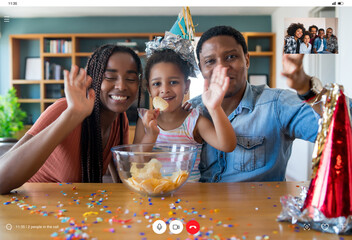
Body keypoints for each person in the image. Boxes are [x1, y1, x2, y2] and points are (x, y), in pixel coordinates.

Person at [187, 25, 351, 183]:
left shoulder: (277, 104)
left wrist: (307, 89)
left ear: (247, 60)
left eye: (231, 57)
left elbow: (345, 125)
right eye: (210, 61)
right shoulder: (191, 111)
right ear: (201, 69)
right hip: (198, 209)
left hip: (261, 209)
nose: (221, 67)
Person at [0, 44, 143, 194]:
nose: (121, 86)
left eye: (131, 79)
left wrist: (141, 140)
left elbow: (124, 183)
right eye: (110, 77)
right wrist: (72, 115)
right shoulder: (64, 108)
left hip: (71, 211)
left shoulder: (120, 120)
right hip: (27, 208)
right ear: (93, 79)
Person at [133, 37, 237, 182]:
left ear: (186, 86)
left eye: (173, 82)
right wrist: (150, 135)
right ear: (149, 89)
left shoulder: (194, 121)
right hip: (153, 197)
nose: (165, 90)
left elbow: (228, 145)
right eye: (157, 83)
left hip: (190, 198)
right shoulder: (144, 121)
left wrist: (215, 107)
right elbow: (136, 164)